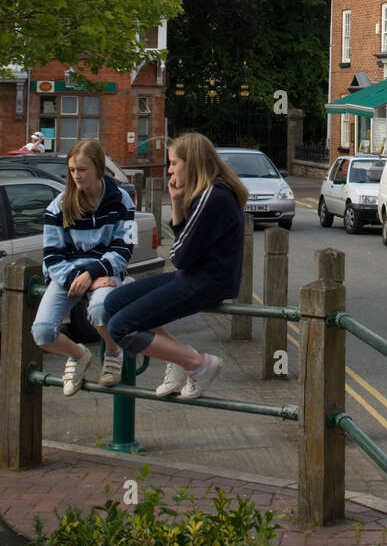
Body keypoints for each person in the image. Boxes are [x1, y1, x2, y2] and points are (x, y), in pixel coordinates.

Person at [105, 132, 247, 401]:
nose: (169, 170)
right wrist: (177, 201)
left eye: (173, 163)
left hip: (205, 283)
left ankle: (197, 364)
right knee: (114, 302)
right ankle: (183, 359)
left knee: (119, 328)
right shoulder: (206, 194)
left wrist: (179, 235)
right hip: (193, 275)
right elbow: (184, 246)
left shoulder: (212, 197)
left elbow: (179, 254)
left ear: (191, 163)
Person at [31, 139, 133, 396]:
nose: (76, 175)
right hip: (68, 273)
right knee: (42, 332)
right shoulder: (58, 206)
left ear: (98, 168)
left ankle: (112, 351)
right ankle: (78, 355)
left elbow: (124, 249)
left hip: (106, 271)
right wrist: (81, 277)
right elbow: (52, 256)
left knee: (100, 310)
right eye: (72, 170)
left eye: (82, 169)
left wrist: (93, 273)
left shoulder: (122, 201)